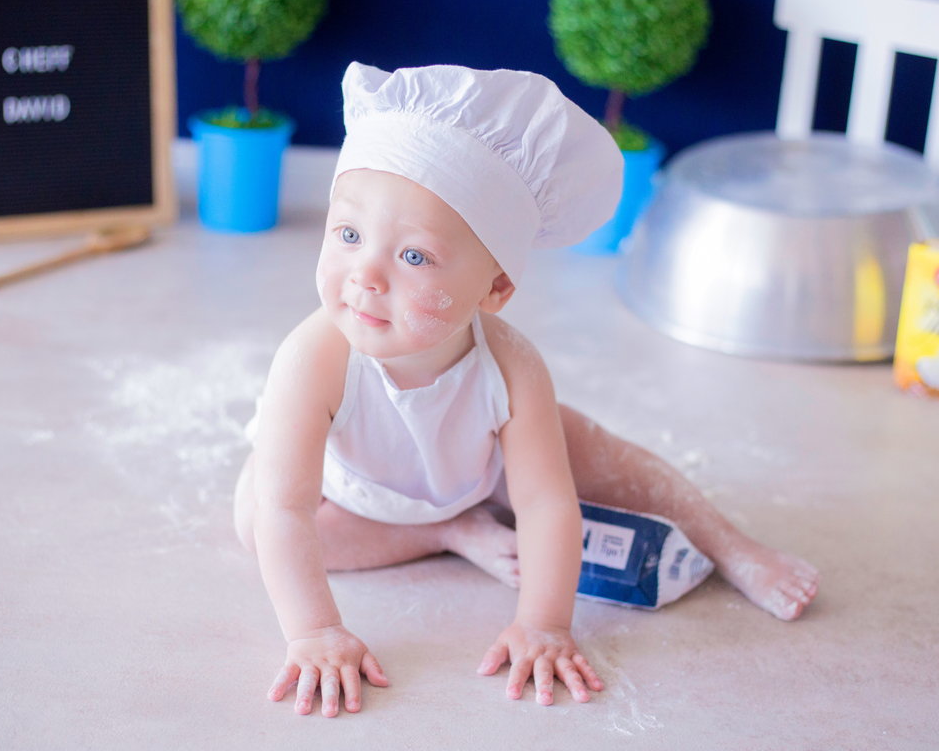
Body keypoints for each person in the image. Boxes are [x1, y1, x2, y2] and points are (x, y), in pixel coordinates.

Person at [234, 62, 819, 718]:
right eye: (348, 235)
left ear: (495, 289)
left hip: (478, 472)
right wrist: (313, 632)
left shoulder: (511, 365)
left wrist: (545, 623)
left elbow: (545, 506)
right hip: (356, 495)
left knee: (591, 449)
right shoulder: (313, 357)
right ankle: (449, 532)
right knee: (257, 520)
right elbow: (287, 512)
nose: (364, 274)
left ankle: (730, 544)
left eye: (414, 256)